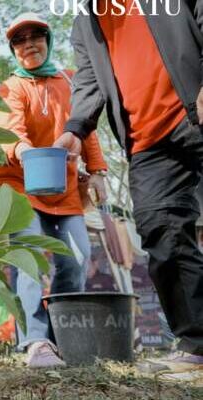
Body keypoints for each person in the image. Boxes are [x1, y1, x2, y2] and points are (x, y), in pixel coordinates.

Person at [53, 0, 203, 371]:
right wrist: (76, 129)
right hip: (147, 142)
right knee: (161, 233)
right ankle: (197, 344)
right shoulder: (85, 21)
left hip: (196, 110)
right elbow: (88, 80)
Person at [0, 13, 108, 368]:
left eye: (36, 36)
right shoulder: (10, 87)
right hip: (20, 186)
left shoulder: (68, 82)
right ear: (13, 49)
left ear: (48, 40)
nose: (29, 44)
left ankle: (65, 340)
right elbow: (9, 128)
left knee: (76, 258)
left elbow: (84, 127)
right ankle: (36, 341)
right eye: (19, 39)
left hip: (65, 188)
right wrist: (24, 151)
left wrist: (99, 171)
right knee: (27, 261)